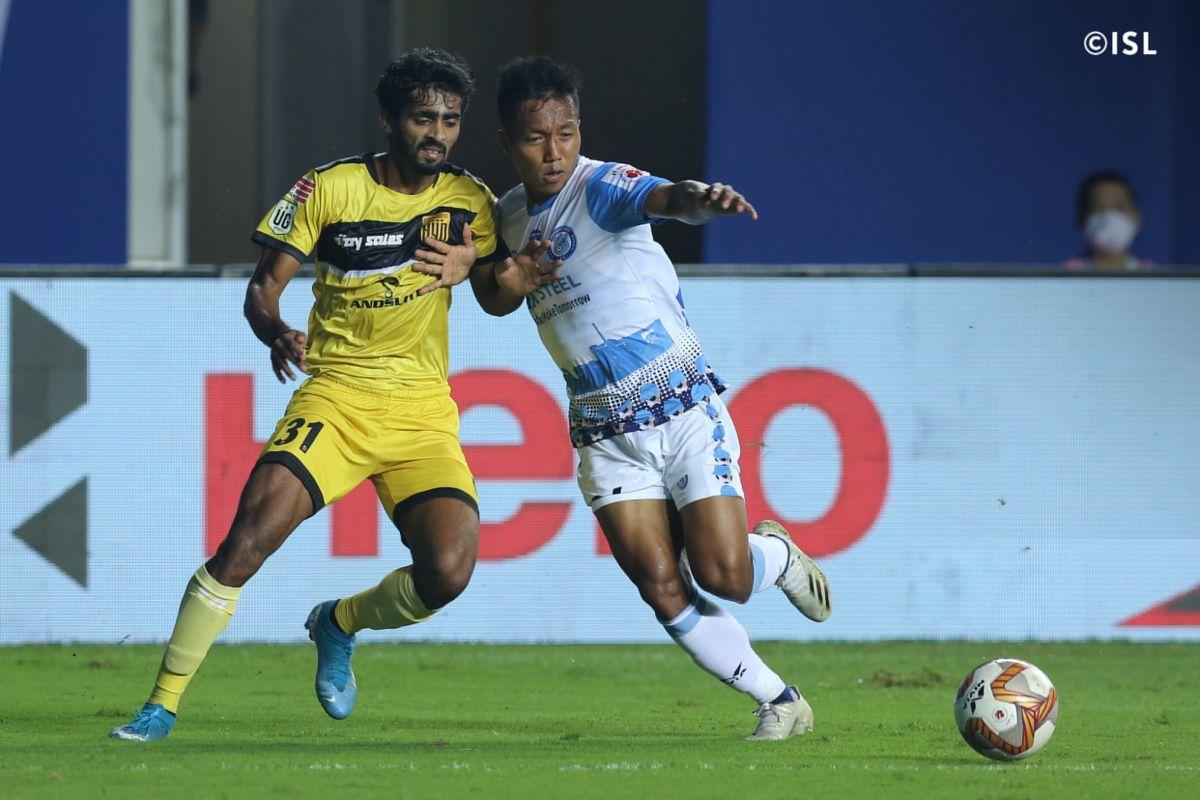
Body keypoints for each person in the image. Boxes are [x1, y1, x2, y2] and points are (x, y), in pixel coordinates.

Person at [110, 48, 552, 741]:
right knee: (246, 542)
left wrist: (484, 267)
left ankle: (338, 623)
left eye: (450, 120)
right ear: (388, 119)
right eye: (421, 118)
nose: (436, 133)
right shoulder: (329, 189)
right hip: (337, 399)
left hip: (420, 411)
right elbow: (264, 288)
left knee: (448, 571)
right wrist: (276, 331)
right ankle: (161, 704)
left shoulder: (470, 200)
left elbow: (498, 299)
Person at [471, 56, 833, 741]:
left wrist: (704, 198)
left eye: (567, 132)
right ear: (506, 143)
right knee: (659, 584)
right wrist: (513, 276)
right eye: (535, 138)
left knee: (725, 575)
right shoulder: (507, 215)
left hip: (681, 408)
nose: (554, 152)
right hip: (603, 430)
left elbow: (667, 197)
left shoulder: (601, 184)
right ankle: (779, 700)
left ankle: (776, 557)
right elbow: (491, 298)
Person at [1065, 170, 1152, 272]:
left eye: (1119, 207)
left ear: (1137, 219)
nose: (1108, 217)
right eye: (1098, 207)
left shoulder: (1157, 279)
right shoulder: (1064, 279)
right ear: (1080, 220)